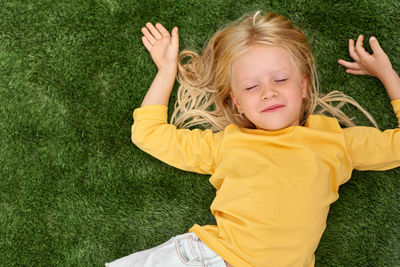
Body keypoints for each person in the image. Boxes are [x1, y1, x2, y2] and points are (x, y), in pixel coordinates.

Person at [106, 11, 400, 267]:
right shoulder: (227, 144)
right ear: (236, 103)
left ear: (303, 86)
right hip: (206, 259)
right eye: (251, 86)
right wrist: (167, 69)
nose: (268, 92)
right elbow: (148, 133)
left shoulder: (337, 142)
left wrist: (386, 74)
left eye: (281, 80)